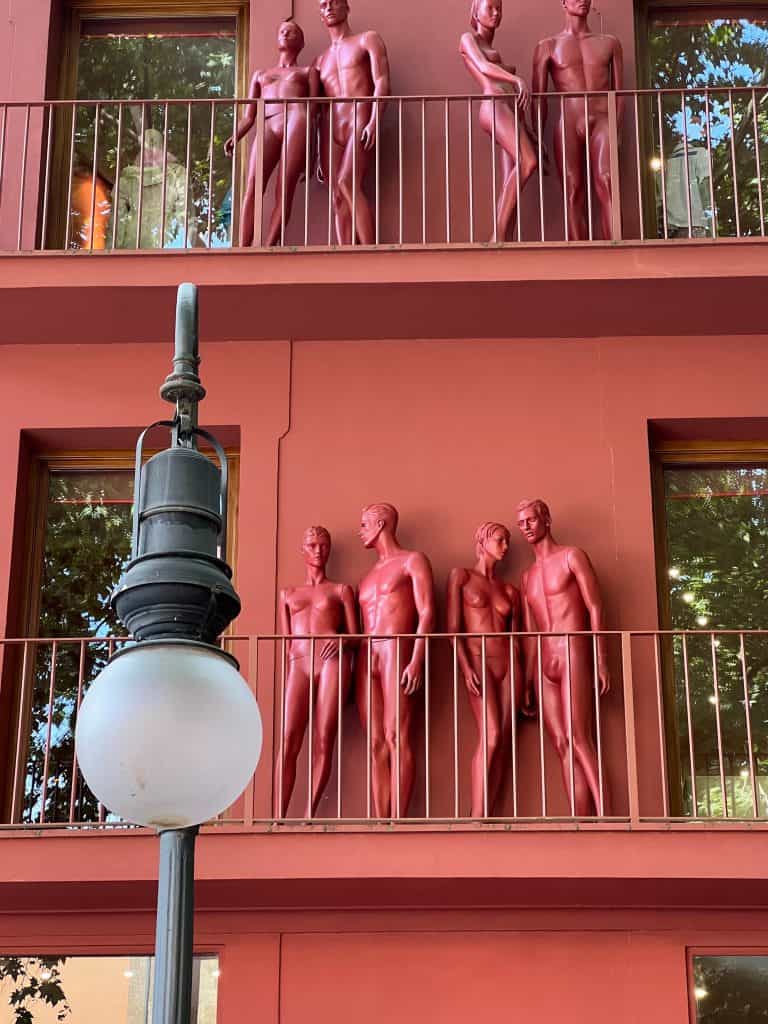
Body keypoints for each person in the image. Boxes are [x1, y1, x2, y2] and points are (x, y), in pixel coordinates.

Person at [517, 499, 610, 816]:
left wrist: (601, 659)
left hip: (572, 649)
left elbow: (595, 606)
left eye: (530, 519)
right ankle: (580, 819)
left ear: (546, 519)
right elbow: (530, 635)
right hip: (545, 662)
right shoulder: (527, 577)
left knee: (579, 735)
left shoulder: (572, 557)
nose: (526, 527)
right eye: (521, 523)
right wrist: (528, 680)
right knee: (561, 744)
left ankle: (607, 816)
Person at [446, 522, 531, 817]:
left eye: (507, 541)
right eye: (500, 540)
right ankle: (476, 817)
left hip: (510, 666)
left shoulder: (510, 590)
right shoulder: (462, 576)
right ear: (482, 540)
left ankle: (488, 813)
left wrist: (528, 682)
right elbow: (454, 629)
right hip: (479, 660)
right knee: (491, 735)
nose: (505, 547)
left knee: (504, 741)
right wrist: (466, 667)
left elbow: (518, 639)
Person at [357, 503, 435, 818]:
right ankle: (381, 818)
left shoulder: (412, 561)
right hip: (368, 654)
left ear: (381, 523)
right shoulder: (367, 577)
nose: (359, 530)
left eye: (364, 523)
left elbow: (427, 611)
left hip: (396, 647)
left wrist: (417, 658)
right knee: (375, 741)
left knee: (396, 735)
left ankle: (398, 819)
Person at [276, 526, 357, 817]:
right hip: (299, 663)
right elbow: (286, 643)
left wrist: (342, 641)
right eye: (312, 545)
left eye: (323, 545)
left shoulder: (341, 590)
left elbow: (355, 636)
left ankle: (310, 814)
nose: (318, 551)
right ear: (303, 550)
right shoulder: (287, 594)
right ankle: (279, 816)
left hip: (331, 661)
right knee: (288, 738)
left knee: (324, 737)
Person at [532, 0, 624, 240]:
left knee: (607, 181)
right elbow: (538, 99)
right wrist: (536, 137)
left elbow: (620, 94)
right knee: (573, 192)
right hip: (569, 122)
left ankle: (616, 252)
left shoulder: (610, 43)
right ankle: (580, 252)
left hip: (602, 119)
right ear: (563, 2)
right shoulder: (548, 46)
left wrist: (618, 131)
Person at [224, 20, 319, 247]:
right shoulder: (260, 74)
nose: (286, 32)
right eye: (282, 30)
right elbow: (249, 116)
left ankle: (269, 244)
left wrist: (313, 154)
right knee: (252, 188)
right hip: (267, 122)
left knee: (284, 188)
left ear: (301, 42)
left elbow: (315, 112)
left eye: (293, 31)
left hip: (297, 118)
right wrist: (235, 135)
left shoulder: (308, 72)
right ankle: (243, 246)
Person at [314, 0, 390, 245]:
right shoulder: (320, 60)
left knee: (348, 183)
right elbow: (318, 109)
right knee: (336, 194)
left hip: (359, 115)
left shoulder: (367, 39)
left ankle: (369, 252)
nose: (329, 7)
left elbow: (382, 81)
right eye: (324, 4)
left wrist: (375, 120)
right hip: (332, 126)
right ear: (320, 14)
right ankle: (344, 254)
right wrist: (317, 153)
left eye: (335, 2)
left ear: (347, 7)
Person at [460, 0, 537, 241]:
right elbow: (483, 67)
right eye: (490, 8)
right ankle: (498, 235)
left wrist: (529, 131)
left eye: (499, 9)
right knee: (528, 162)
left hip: (510, 110)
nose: (496, 13)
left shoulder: (494, 50)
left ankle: (507, 238)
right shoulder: (467, 39)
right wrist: (517, 80)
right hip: (494, 106)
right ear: (476, 11)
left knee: (511, 178)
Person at [112, 127, 187, 249]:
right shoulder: (178, 173)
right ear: (162, 145)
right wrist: (189, 244)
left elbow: (117, 219)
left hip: (134, 237)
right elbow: (184, 211)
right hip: (167, 237)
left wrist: (112, 251)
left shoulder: (126, 179)